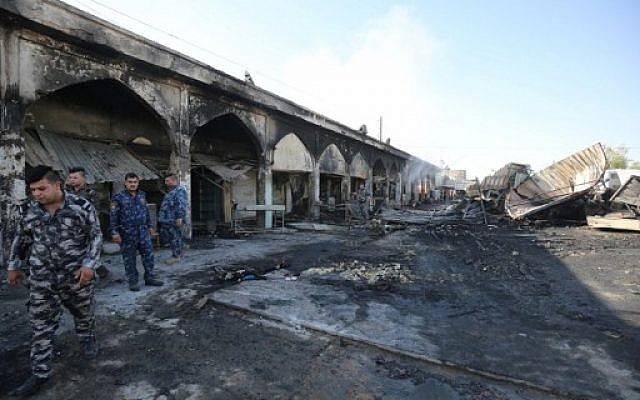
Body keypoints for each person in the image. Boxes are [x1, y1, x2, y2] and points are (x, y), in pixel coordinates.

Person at [7, 165, 102, 396]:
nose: (37, 194)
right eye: (33, 190)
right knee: (40, 325)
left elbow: (96, 236)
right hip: (41, 278)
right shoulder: (30, 210)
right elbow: (22, 238)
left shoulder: (81, 207)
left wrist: (89, 264)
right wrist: (14, 265)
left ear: (58, 184)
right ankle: (40, 373)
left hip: (75, 277)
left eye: (42, 188)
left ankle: (87, 338)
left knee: (83, 313)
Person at [109, 172, 163, 291]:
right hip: (127, 233)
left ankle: (150, 277)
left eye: (135, 182)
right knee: (129, 258)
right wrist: (114, 232)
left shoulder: (142, 195)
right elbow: (113, 216)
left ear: (138, 183)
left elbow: (146, 212)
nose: (132, 184)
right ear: (125, 183)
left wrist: (150, 226)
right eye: (130, 182)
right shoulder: (118, 198)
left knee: (148, 256)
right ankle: (133, 281)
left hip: (143, 231)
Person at [66, 166, 110, 279]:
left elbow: (96, 211)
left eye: (75, 177)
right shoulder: (66, 193)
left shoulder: (91, 193)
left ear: (83, 179)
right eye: (70, 177)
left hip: (87, 227)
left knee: (89, 251)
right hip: (71, 227)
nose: (72, 180)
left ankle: (94, 272)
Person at [159, 173, 188, 264]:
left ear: (174, 181)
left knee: (175, 237)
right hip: (169, 220)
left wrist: (179, 217)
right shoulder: (172, 191)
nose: (165, 182)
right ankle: (178, 253)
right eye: (165, 181)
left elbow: (181, 204)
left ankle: (176, 256)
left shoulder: (179, 191)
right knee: (173, 237)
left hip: (174, 219)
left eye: (167, 181)